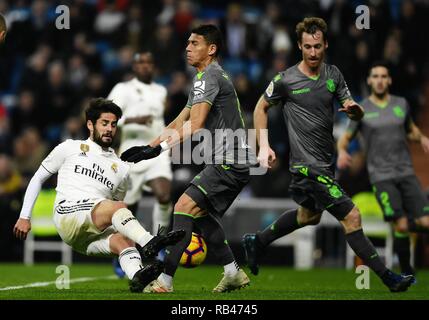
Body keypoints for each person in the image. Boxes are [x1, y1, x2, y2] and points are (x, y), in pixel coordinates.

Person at [242, 17, 414, 292]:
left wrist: (355, 110)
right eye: (307, 47)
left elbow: (349, 102)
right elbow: (260, 107)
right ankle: (389, 279)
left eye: (317, 46)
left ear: (325, 45)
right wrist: (264, 145)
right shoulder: (285, 79)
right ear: (299, 45)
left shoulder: (333, 75)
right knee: (353, 217)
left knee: (309, 217)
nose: (313, 52)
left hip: (325, 164)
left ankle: (258, 241)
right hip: (307, 168)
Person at [121, 24, 255, 293]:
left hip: (229, 160)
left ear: (212, 49)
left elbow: (195, 125)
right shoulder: (205, 77)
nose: (188, 47)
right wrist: (149, 146)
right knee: (200, 215)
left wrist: (160, 151)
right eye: (188, 43)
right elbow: (181, 118)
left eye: (195, 43)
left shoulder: (209, 78)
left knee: (182, 206)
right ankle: (232, 272)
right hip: (232, 161)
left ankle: (166, 281)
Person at [13, 98, 185, 293]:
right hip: (67, 214)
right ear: (90, 124)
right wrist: (24, 216)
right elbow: (37, 178)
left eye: (113, 124)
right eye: (104, 123)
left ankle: (141, 279)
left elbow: (117, 208)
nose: (109, 129)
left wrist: (157, 149)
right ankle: (150, 241)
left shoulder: (121, 168)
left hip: (84, 240)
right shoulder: (70, 147)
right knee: (118, 209)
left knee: (124, 239)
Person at [337, 61, 429, 280]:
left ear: (389, 81)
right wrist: (341, 151)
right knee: (402, 225)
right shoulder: (362, 109)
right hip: (382, 176)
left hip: (406, 172)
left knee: (425, 223)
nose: (379, 80)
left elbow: (411, 130)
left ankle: (406, 252)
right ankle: (407, 270)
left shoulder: (401, 104)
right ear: (369, 81)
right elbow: (346, 138)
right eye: (375, 76)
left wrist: (422, 137)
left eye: (383, 76)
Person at [108, 52, 173, 276]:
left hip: (155, 151)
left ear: (153, 66)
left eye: (149, 62)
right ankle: (125, 252)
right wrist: (133, 119)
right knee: (127, 209)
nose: (145, 66)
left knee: (164, 195)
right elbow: (108, 116)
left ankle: (159, 246)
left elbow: (161, 122)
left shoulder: (161, 91)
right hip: (131, 153)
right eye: (140, 63)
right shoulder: (122, 89)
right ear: (134, 67)